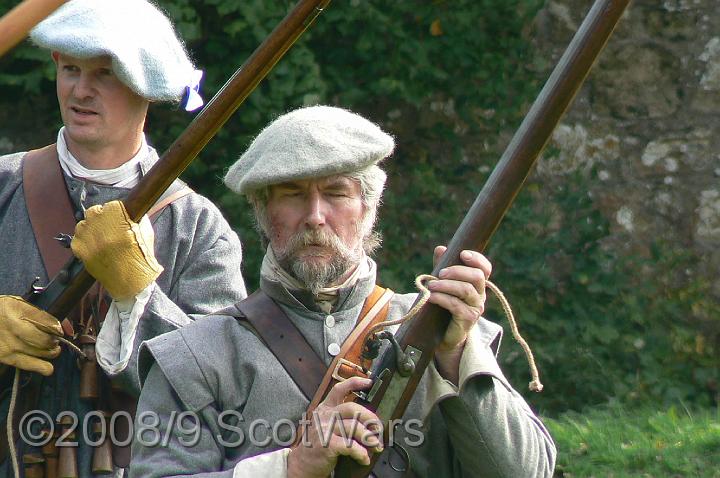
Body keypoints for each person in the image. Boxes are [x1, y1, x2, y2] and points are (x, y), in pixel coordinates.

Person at [129, 105, 557, 477]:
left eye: (336, 193)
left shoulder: (442, 331)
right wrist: (289, 469)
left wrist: (456, 354)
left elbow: (527, 472)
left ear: (368, 208)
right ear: (263, 210)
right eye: (293, 194)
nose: (315, 216)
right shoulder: (195, 357)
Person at [0, 0, 246, 476]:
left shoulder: (197, 226)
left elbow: (225, 389)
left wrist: (138, 297)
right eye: (71, 68)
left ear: (145, 89)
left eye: (105, 74)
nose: (81, 89)